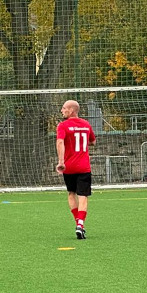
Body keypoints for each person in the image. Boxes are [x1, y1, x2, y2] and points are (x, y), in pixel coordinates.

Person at [55, 100, 96, 240]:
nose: (62, 110)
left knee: (71, 193)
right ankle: (80, 224)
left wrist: (61, 162)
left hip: (69, 167)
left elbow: (60, 142)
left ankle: (78, 223)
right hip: (84, 166)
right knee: (83, 195)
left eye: (64, 108)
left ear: (71, 110)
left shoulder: (63, 126)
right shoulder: (86, 124)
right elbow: (93, 141)